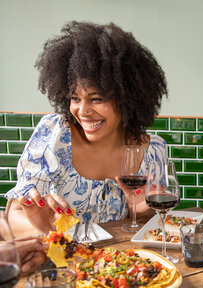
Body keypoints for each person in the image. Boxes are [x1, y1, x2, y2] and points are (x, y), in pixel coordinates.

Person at [5, 21, 168, 238]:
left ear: (127, 98)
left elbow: (158, 232)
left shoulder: (153, 150)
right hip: (60, 266)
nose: (83, 111)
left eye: (96, 99)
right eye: (75, 98)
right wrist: (43, 226)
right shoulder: (55, 135)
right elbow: (11, 219)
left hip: (121, 267)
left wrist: (138, 213)